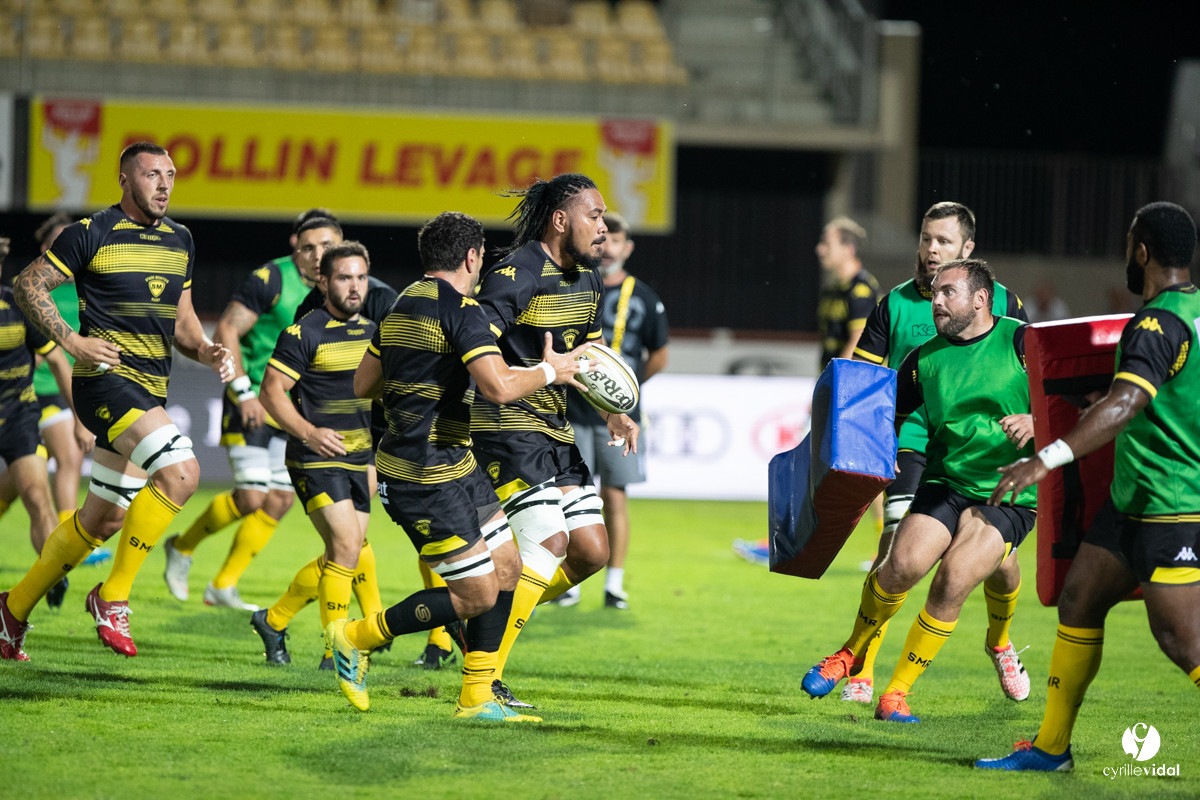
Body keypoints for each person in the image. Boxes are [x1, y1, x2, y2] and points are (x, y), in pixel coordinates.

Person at [324, 210, 593, 720]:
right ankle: (355, 636)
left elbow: (362, 385)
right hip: (424, 474)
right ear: (472, 257)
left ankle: (476, 697)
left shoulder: (402, 305)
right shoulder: (463, 310)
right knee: (475, 594)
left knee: (509, 565)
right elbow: (496, 387)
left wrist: (420, 387)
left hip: (455, 464)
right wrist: (547, 370)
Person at [978, 202, 1200, 772]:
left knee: (1182, 642)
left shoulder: (1155, 323)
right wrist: (1101, 404)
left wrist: (1044, 458)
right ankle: (1052, 748)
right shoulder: (1194, 314)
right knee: (1079, 601)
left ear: (1143, 251)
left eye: (1131, 243)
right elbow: (1162, 396)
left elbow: (1128, 404)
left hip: (1168, 508)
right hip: (1130, 505)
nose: (1128, 254)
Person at [0, 141, 233, 661]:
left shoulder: (182, 240)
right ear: (125, 179)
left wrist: (207, 348)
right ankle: (113, 596)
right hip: (104, 381)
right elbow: (27, 283)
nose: (166, 184)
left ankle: (11, 609)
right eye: (153, 174)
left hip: (150, 387)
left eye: (171, 174)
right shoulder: (90, 233)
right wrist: (73, 342)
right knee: (182, 473)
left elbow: (183, 323)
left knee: (99, 521)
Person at [802, 258, 1037, 724]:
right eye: (933, 293)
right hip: (947, 483)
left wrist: (1038, 422)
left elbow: (1075, 401)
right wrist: (880, 449)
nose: (936, 301)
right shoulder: (923, 360)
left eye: (948, 292)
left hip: (1009, 490)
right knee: (900, 565)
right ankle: (849, 653)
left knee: (954, 578)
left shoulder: (1022, 340)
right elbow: (885, 413)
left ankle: (896, 695)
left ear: (980, 299)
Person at [470, 173, 640, 707]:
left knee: (591, 552)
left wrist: (611, 411)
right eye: (594, 216)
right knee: (550, 545)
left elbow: (583, 356)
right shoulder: (513, 274)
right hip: (505, 427)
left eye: (606, 218)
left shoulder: (589, 281)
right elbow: (474, 346)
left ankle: (479, 618)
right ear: (561, 220)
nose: (604, 229)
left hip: (555, 427)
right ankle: (485, 673)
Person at [161, 209, 331, 610]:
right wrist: (244, 391)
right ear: (296, 246)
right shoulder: (271, 279)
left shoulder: (338, 286)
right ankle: (182, 547)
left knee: (279, 500)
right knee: (254, 495)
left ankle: (223, 585)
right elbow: (226, 330)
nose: (319, 254)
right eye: (310, 246)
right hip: (253, 398)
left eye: (327, 245)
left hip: (291, 409)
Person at [254, 241, 381, 669]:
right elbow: (271, 392)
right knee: (346, 546)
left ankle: (273, 620)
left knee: (343, 553)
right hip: (314, 458)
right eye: (345, 277)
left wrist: (375, 460)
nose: (355, 287)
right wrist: (309, 432)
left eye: (361, 277)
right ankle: (337, 651)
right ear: (324, 282)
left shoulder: (374, 332)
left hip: (359, 459)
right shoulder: (304, 331)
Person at [560, 211, 668, 609]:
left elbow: (660, 355)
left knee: (615, 496)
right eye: (603, 241)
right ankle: (569, 583)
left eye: (616, 241)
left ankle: (614, 584)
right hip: (572, 408)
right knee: (572, 497)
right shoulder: (575, 286)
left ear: (628, 247)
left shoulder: (644, 297)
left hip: (617, 415)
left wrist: (624, 393)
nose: (608, 249)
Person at [0, 216, 108, 568]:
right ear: (47, 249)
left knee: (24, 480)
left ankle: (64, 536)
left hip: (66, 388)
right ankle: (68, 536)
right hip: (33, 390)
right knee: (70, 455)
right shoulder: (26, 286)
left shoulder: (87, 286)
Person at [816, 216, 879, 368]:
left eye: (827, 243)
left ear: (848, 249)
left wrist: (837, 380)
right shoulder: (832, 290)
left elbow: (858, 342)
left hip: (847, 384)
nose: (819, 249)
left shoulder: (861, 290)